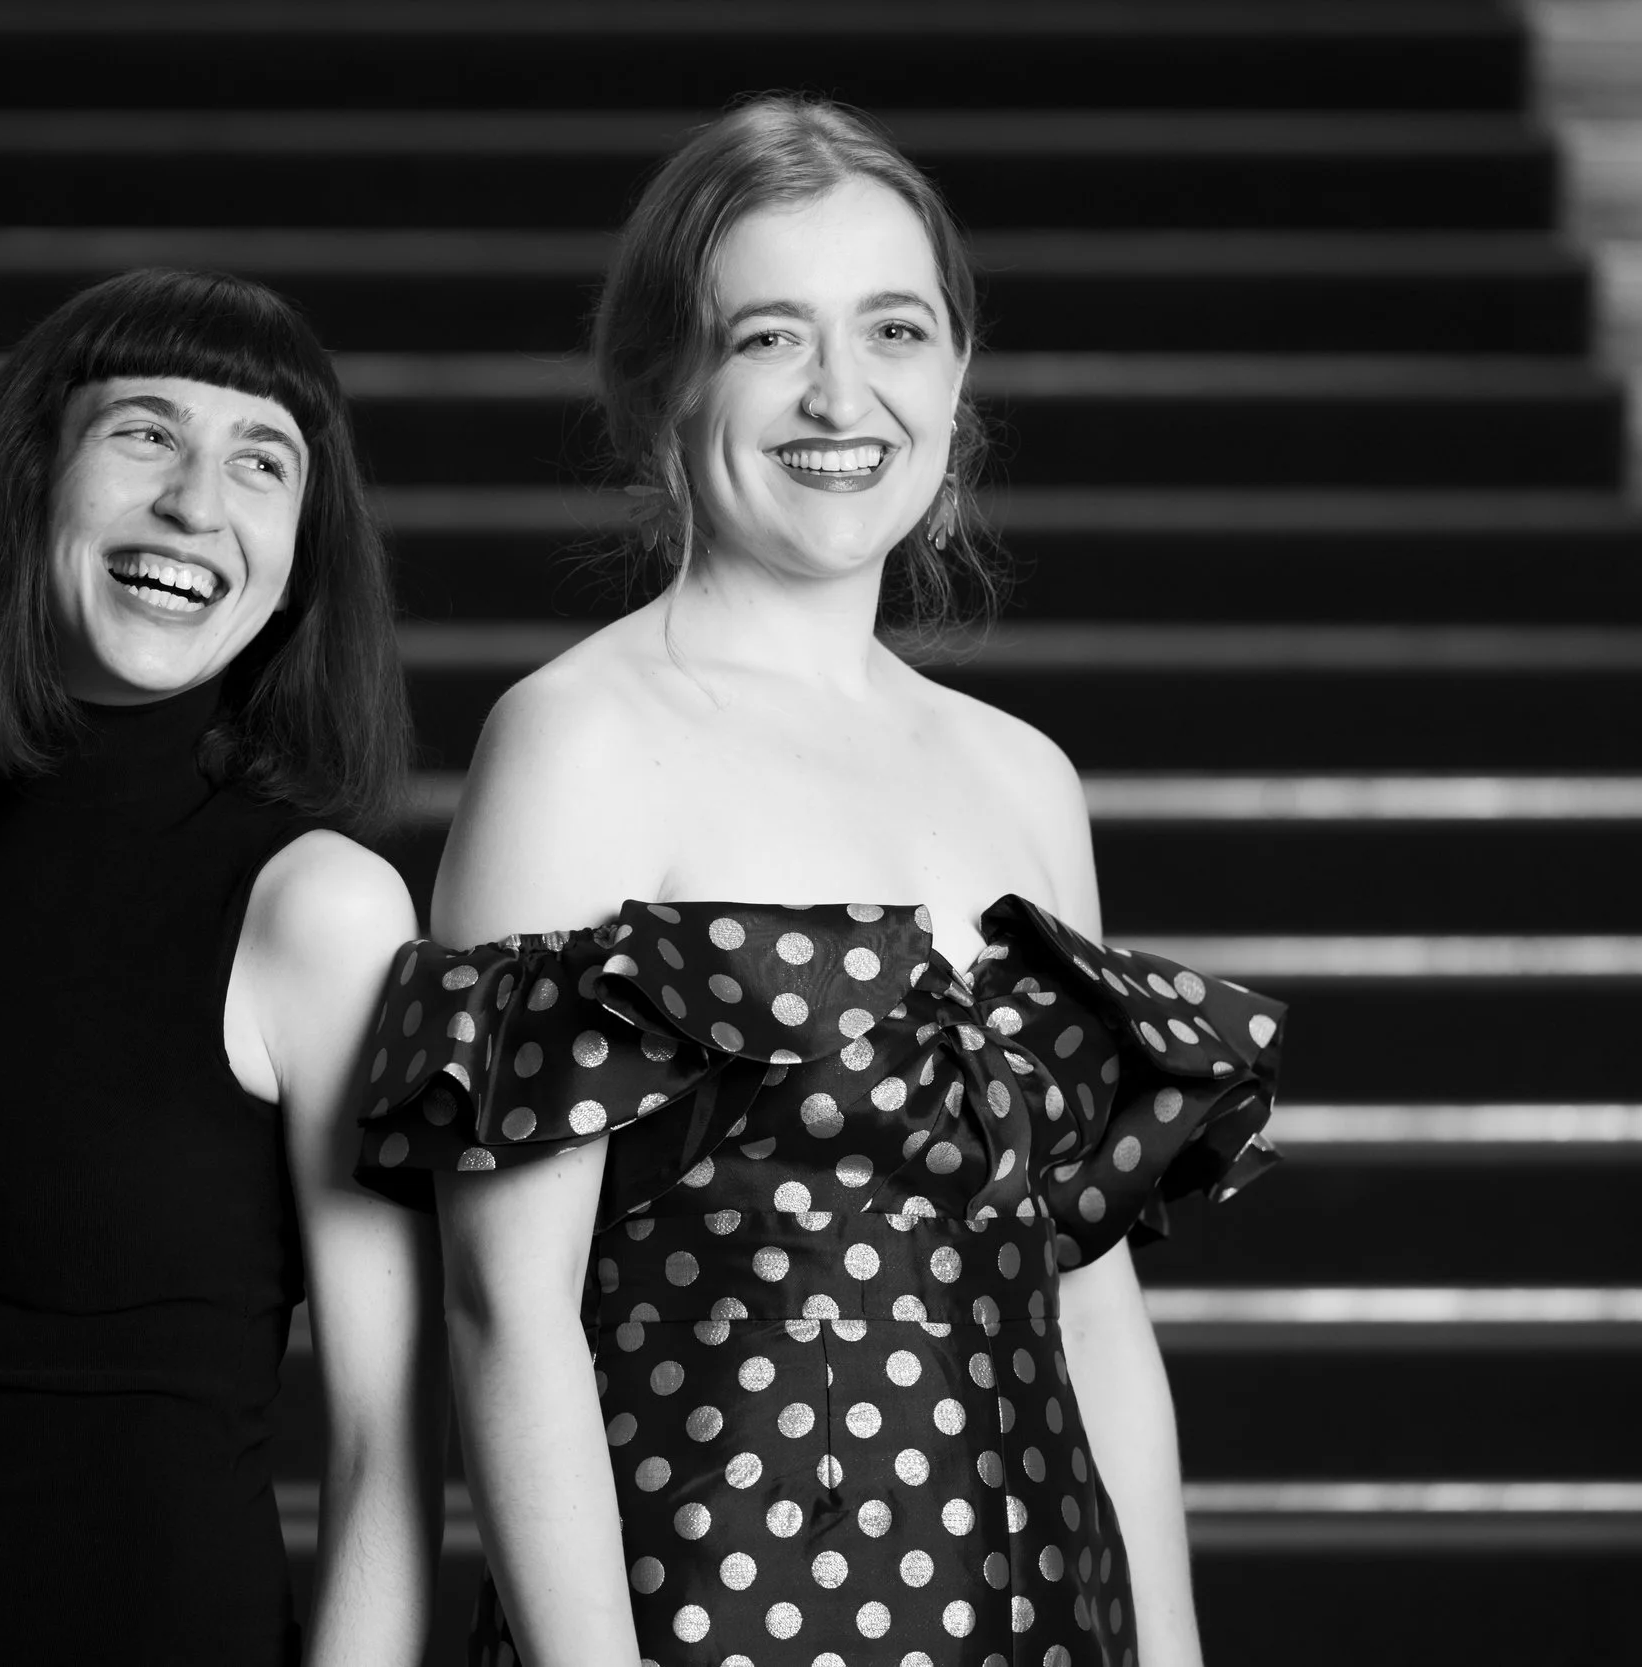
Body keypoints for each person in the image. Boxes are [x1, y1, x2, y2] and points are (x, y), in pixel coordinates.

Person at [354, 99, 1282, 1667]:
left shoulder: (1025, 777)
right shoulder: (578, 742)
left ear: (956, 377)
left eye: (894, 330)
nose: (842, 396)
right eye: (770, 335)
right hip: (708, 1622)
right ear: (667, 381)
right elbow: (504, 1313)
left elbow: (1096, 1319)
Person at [0, 268, 442, 1666]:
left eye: (262, 461)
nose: (197, 502)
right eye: (145, 432)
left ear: (300, 557)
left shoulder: (320, 907)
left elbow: (386, 1441)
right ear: (29, 476)